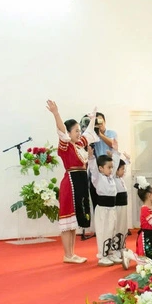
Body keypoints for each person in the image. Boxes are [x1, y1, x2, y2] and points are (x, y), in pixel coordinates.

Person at [45, 100, 93, 263]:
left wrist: (92, 118)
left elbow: (90, 133)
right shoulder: (65, 146)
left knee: (73, 223)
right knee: (67, 221)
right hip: (70, 185)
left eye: (79, 130)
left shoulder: (79, 144)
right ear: (70, 132)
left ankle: (72, 253)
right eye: (76, 131)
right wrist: (56, 113)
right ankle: (67, 254)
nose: (79, 133)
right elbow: (61, 131)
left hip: (79, 184)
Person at [87, 154, 124, 267]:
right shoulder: (97, 178)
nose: (111, 169)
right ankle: (102, 256)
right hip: (103, 209)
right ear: (101, 168)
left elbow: (116, 162)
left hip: (111, 208)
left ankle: (111, 253)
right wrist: (91, 157)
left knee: (112, 230)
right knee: (103, 232)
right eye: (109, 167)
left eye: (112, 167)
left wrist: (115, 151)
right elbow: (93, 168)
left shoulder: (111, 177)